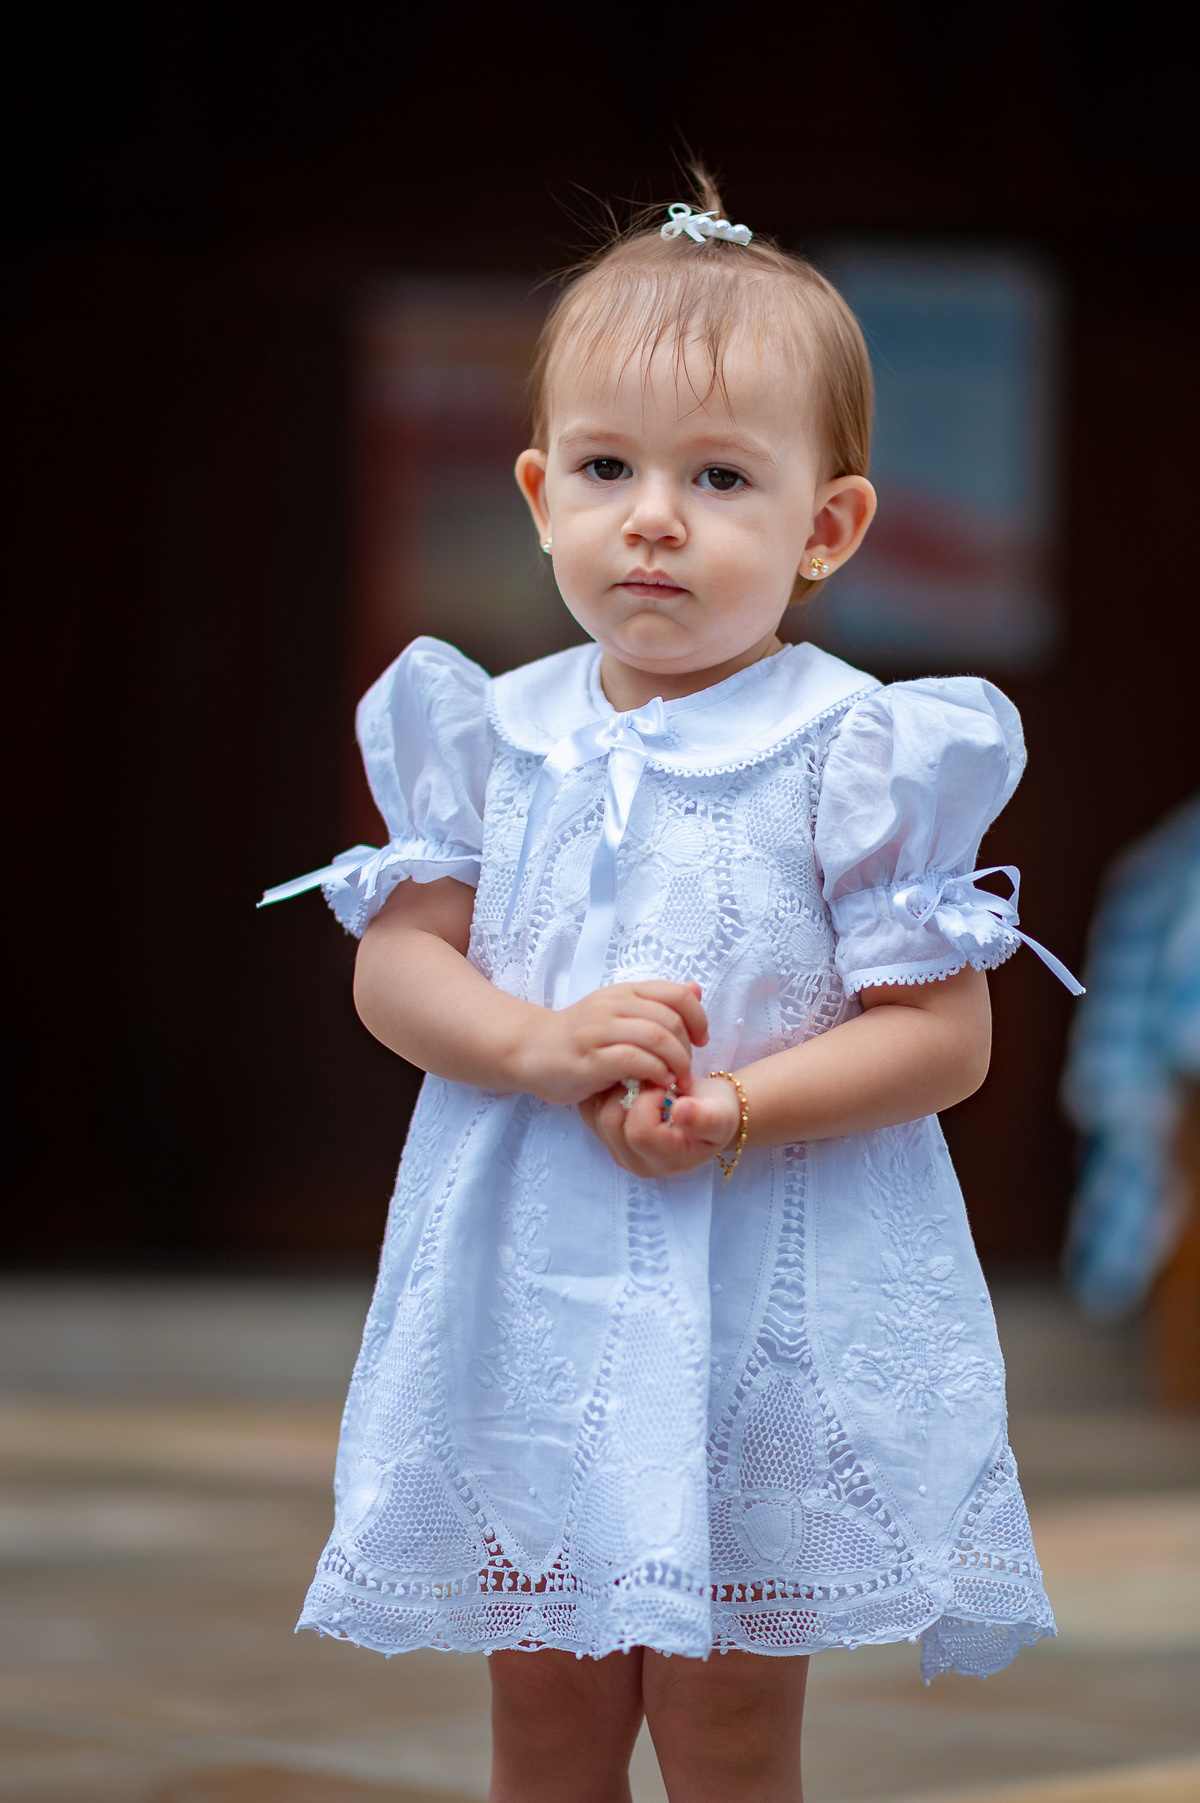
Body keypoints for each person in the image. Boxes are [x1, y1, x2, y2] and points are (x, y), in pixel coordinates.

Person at [261, 172, 1081, 1803]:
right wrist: (535, 1038)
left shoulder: (857, 748)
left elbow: (944, 1038)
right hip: (538, 1287)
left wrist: (738, 1107)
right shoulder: (487, 731)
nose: (654, 516)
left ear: (826, 526)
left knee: (721, 1721)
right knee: (548, 1707)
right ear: (537, 492)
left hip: (755, 1297)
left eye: (719, 477)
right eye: (608, 469)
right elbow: (400, 964)